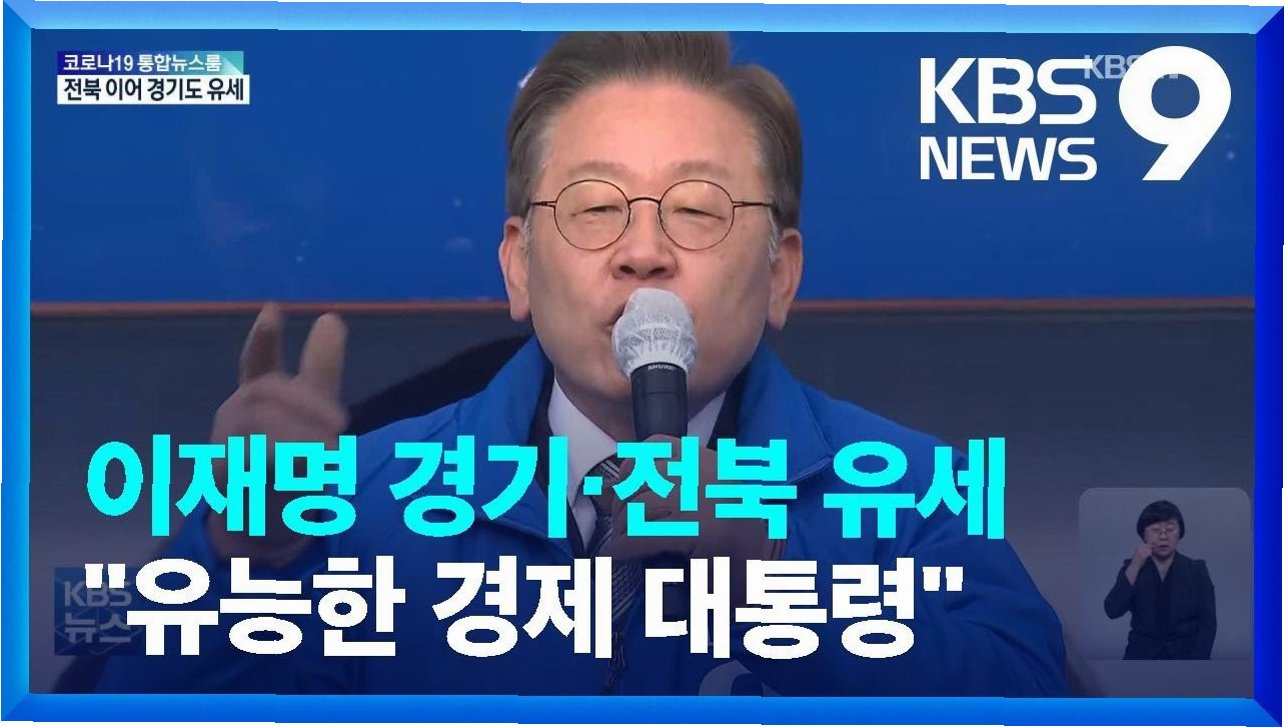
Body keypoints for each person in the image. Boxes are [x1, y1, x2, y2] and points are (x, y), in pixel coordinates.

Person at [97, 31, 1066, 696]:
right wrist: (241, 564)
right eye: (596, 207)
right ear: (518, 265)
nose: (643, 251)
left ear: (780, 273)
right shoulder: (353, 505)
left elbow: (1033, 698)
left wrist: (782, 587)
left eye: (697, 210)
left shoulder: (914, 495)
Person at [1103, 500, 1216, 660]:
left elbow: (1208, 624)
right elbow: (1112, 610)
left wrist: (1196, 663)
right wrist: (1135, 564)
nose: (1163, 536)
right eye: (1155, 530)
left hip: (1185, 655)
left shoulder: (1197, 570)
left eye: (1170, 529)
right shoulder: (1131, 567)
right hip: (1141, 656)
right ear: (1144, 535)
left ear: (1180, 533)